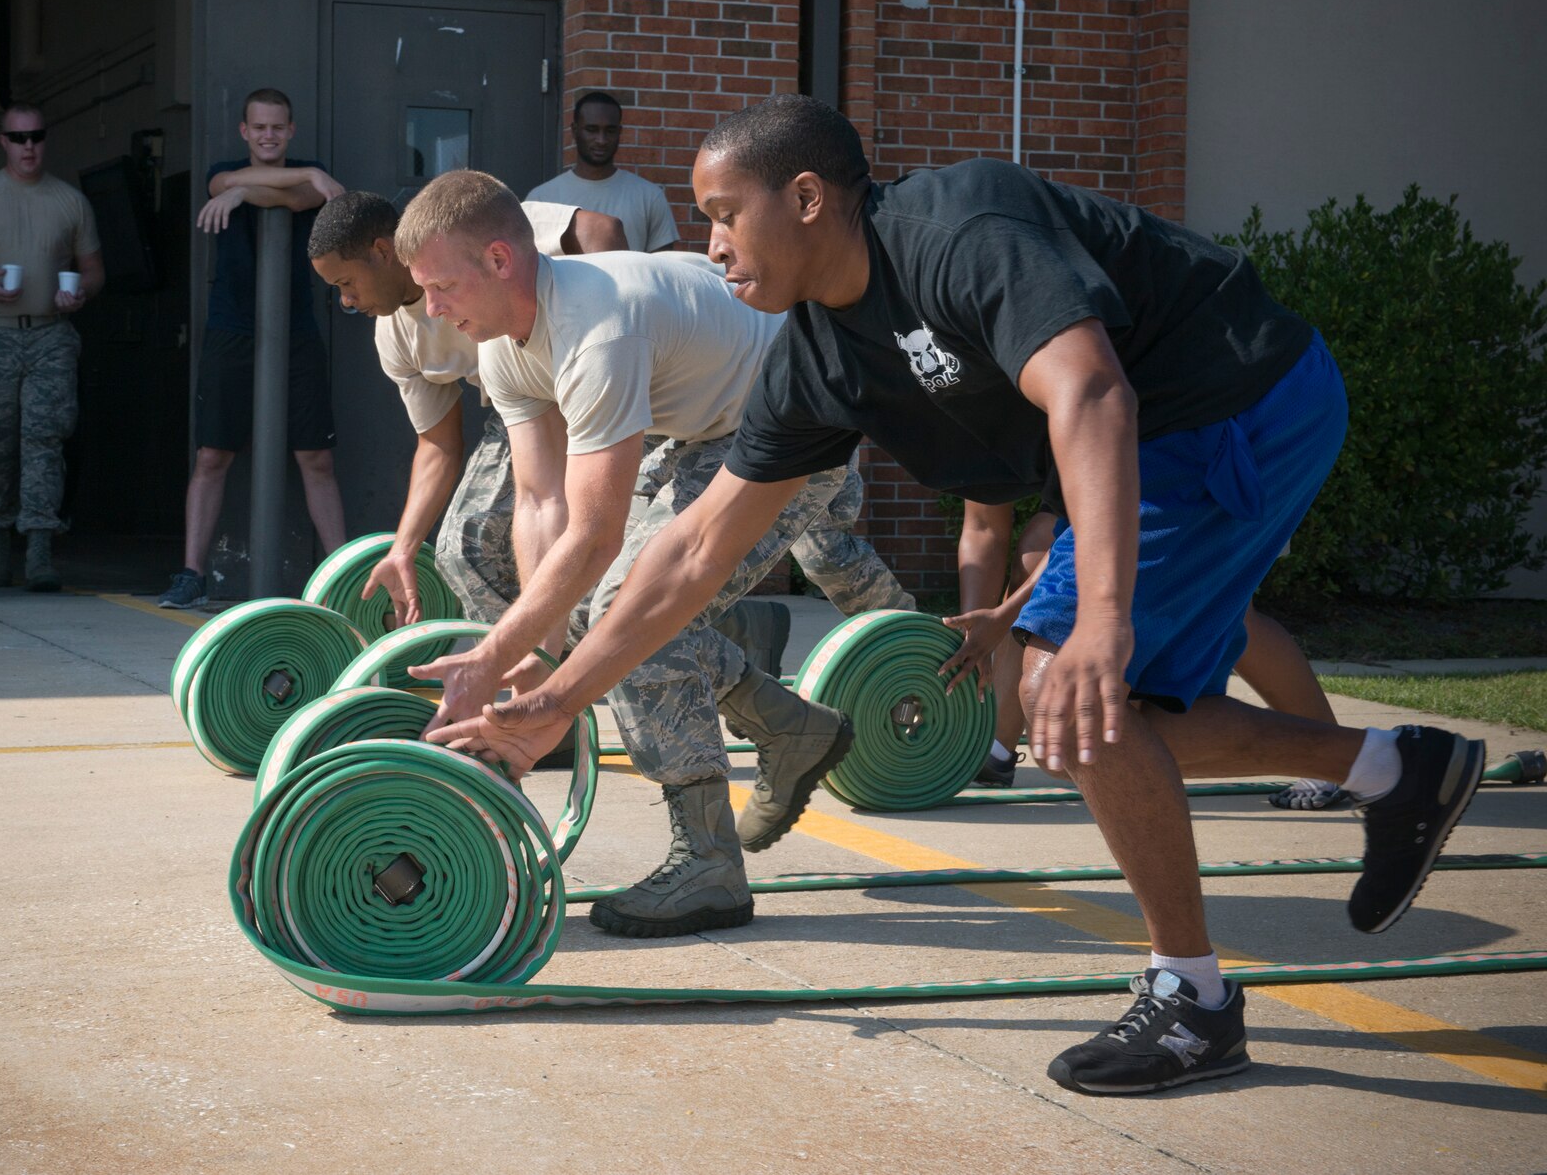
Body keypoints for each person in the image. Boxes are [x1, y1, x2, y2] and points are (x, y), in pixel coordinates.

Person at [429, 95, 1485, 1096]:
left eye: (720, 215)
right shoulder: (815, 354)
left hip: (1238, 399)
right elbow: (694, 545)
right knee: (1077, 712)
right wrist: (562, 693)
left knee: (1067, 684)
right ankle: (1392, 766)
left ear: (804, 198)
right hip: (1152, 440)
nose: (707, 245)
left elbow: (1090, 390)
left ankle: (1191, 998)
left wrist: (1094, 620)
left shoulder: (954, 231)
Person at [392, 169, 899, 941]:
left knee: (632, 608)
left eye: (437, 286)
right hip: (709, 425)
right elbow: (541, 504)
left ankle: (709, 865)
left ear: (500, 261)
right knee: (613, 615)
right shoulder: (502, 344)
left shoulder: (598, 326)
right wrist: (539, 647)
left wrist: (492, 654)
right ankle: (789, 726)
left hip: (800, 418)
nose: (429, 309)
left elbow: (594, 539)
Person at [307, 192, 627, 628]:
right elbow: (438, 444)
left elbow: (600, 230)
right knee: (464, 549)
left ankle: (605, 654)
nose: (345, 300)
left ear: (382, 252)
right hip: (519, 408)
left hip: (595, 389)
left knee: (617, 556)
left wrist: (606, 343)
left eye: (346, 282)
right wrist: (402, 549)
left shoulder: (473, 232)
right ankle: (535, 666)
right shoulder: (394, 338)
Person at [945, 505, 1338, 789]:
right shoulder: (983, 427)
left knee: (1236, 610)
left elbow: (1093, 523)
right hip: (1135, 470)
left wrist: (1009, 614)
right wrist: (981, 632)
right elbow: (986, 527)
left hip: (1223, 446)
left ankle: (1343, 761)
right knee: (1068, 734)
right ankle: (995, 744)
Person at [158, 88, 347, 609]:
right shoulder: (222, 171)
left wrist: (252, 189)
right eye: (258, 127)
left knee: (316, 457)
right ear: (245, 131)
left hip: (298, 333)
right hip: (231, 330)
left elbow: (295, 200)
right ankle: (192, 573)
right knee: (212, 455)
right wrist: (239, 188)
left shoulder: (312, 172)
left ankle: (342, 581)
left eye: (277, 128)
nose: (268, 135)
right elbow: (224, 182)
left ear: (291, 131)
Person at [0, 105, 105, 593]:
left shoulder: (69, 201)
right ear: (3, 142)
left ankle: (38, 548)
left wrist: (79, 294)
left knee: (45, 439)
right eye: (18, 138)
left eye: (36, 136)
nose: (28, 146)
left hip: (50, 334)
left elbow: (94, 268)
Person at [526, 91, 682, 253]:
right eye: (592, 130)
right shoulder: (542, 199)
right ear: (574, 130)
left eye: (610, 130)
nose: (601, 140)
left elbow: (662, 272)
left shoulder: (649, 197)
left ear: (619, 132)